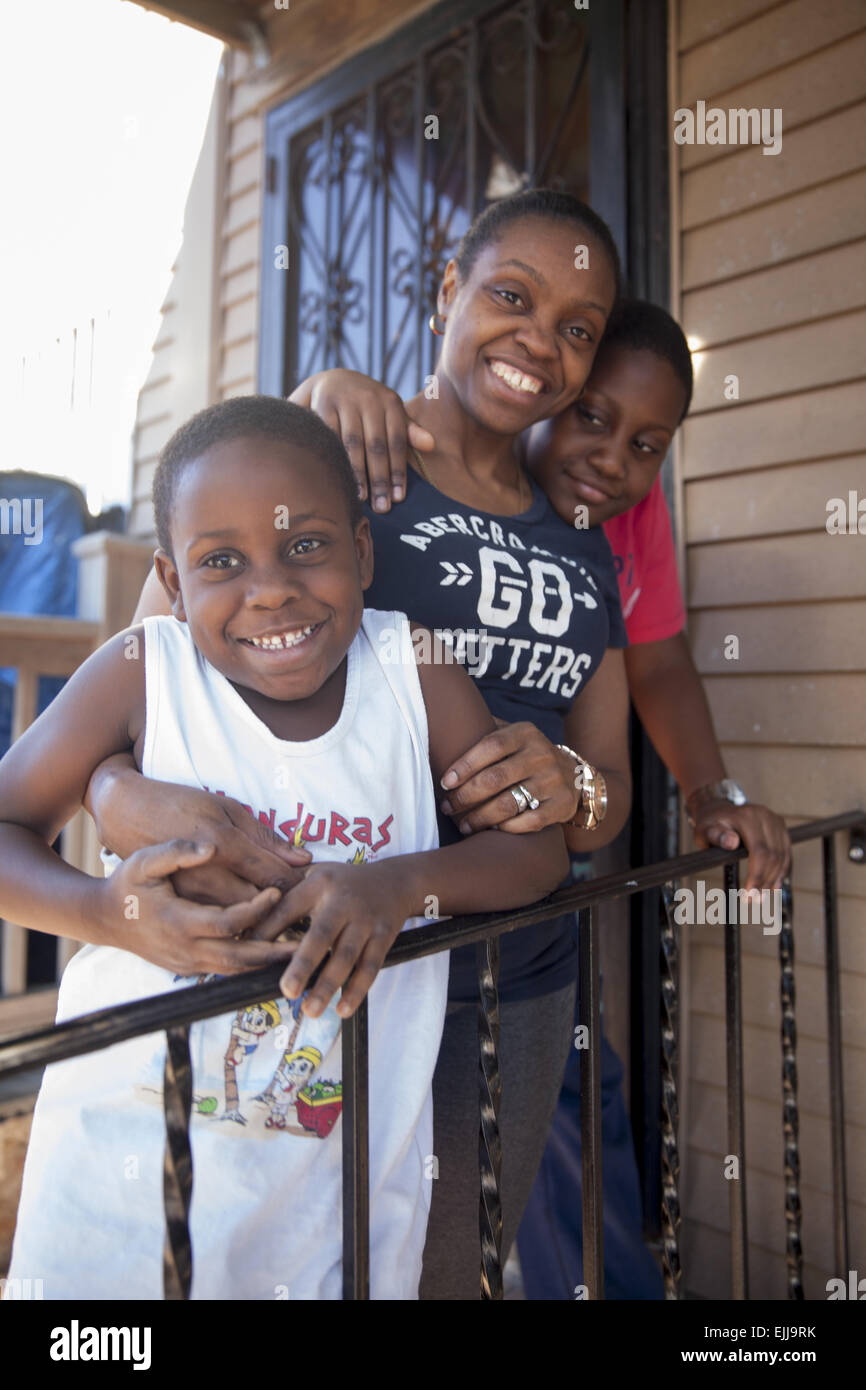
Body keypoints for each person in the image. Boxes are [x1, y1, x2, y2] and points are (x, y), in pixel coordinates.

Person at [86, 189, 635, 1299]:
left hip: (511, 971)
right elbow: (161, 675)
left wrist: (567, 786)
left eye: (576, 328)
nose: (540, 340)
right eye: (510, 295)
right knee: (254, 1259)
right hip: (318, 963)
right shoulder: (351, 451)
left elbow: (608, 792)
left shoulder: (580, 552)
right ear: (447, 290)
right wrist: (109, 787)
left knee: (436, 1271)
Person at [1, 396, 568, 1300]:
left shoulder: (408, 669)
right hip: (130, 1164)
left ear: (363, 552)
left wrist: (399, 886)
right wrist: (108, 914)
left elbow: (537, 853)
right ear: (172, 582)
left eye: (306, 544)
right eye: (221, 561)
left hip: (339, 1172)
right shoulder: (143, 670)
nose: (270, 588)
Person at [516, 298, 791, 1299]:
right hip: (426, 872)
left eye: (647, 442)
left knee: (584, 1100)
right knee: (526, 1125)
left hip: (554, 857)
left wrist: (711, 791)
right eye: (591, 417)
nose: (612, 457)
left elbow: (658, 658)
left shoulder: (624, 515)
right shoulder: (461, 485)